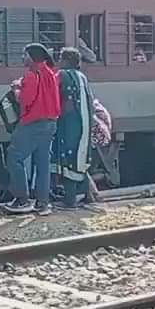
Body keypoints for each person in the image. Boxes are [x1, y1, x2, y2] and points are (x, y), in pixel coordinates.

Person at [5, 43, 61, 215]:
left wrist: (16, 88)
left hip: (32, 123)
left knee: (14, 157)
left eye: (25, 55)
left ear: (31, 57)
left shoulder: (31, 75)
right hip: (50, 123)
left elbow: (24, 100)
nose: (23, 58)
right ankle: (42, 203)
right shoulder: (50, 73)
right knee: (42, 163)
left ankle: (22, 199)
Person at [51, 47, 95, 209]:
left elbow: (53, 94)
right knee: (79, 159)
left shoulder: (62, 75)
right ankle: (89, 195)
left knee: (68, 159)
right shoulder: (82, 77)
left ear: (64, 60)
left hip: (70, 125)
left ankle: (69, 201)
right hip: (84, 125)